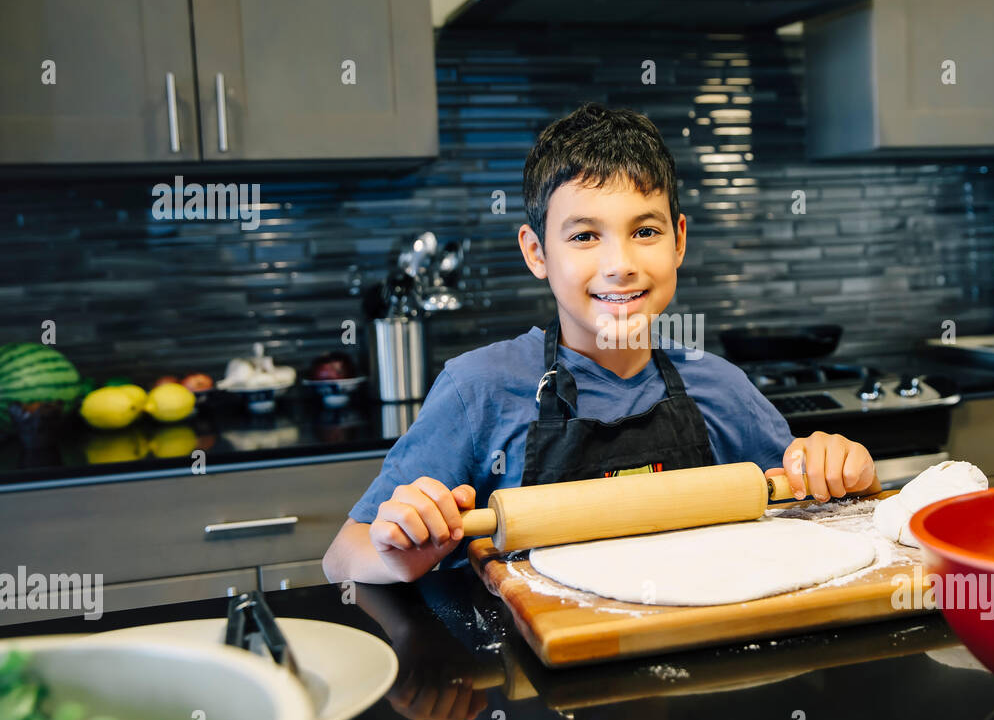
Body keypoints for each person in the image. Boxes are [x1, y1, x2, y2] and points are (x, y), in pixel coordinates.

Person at [323, 102, 876, 584]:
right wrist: (399, 554)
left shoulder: (723, 388)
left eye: (645, 231)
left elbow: (809, 519)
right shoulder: (479, 392)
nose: (620, 266)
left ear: (679, 240)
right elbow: (341, 558)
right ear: (537, 252)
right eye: (585, 236)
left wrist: (843, 473)